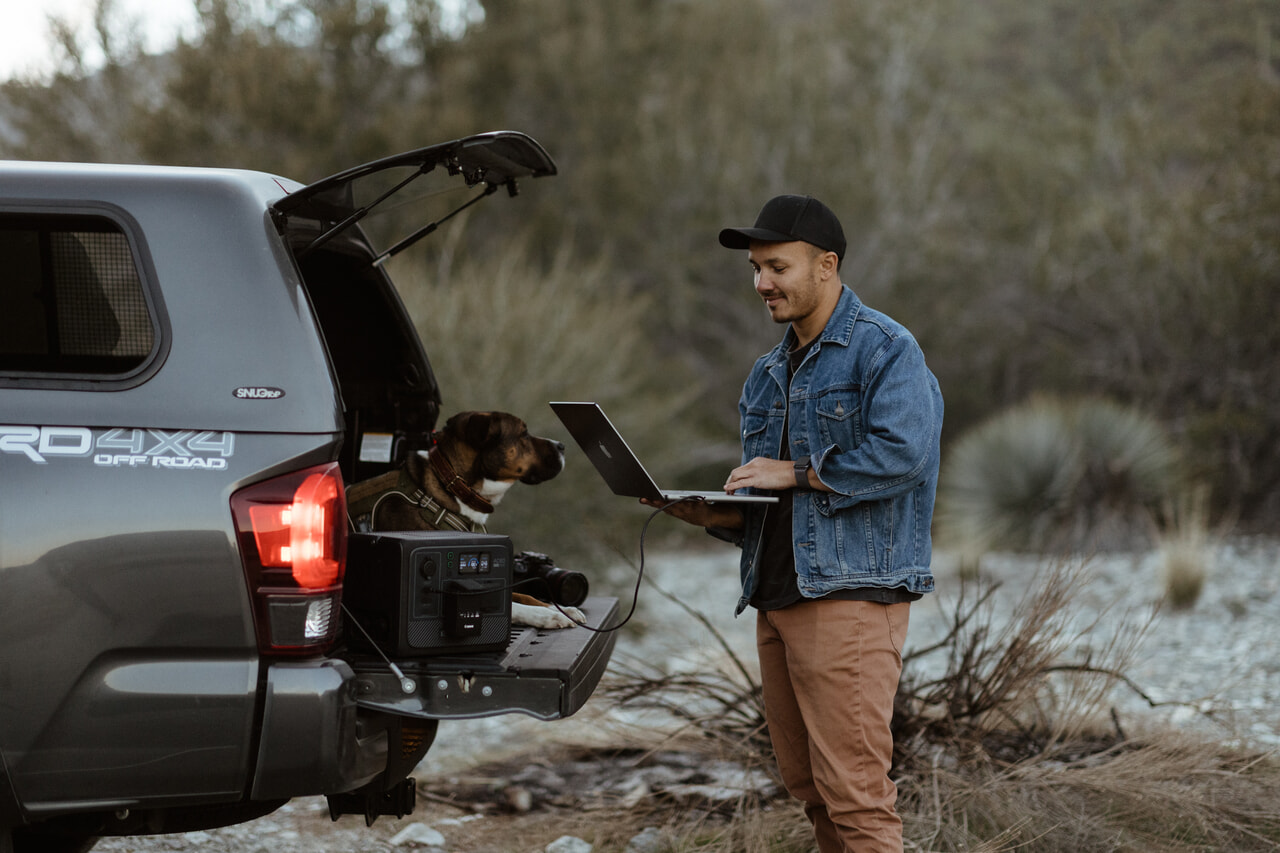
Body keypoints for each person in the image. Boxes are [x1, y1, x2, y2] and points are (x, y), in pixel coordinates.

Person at [644, 195, 943, 853]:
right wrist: (713, 512)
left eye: (776, 267)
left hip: (849, 599)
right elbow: (776, 504)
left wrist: (796, 471)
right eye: (756, 268)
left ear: (826, 265)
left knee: (856, 795)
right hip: (776, 600)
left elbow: (906, 455)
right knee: (810, 787)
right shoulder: (766, 374)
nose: (761, 283)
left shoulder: (886, 349)